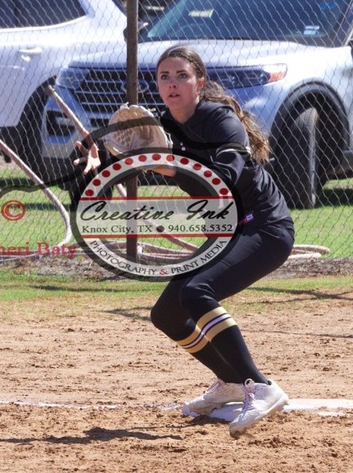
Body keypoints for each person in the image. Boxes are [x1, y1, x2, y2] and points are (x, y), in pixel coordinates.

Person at [75, 45, 295, 438]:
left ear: (200, 82)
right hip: (227, 232)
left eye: (181, 76)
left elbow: (223, 181)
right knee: (168, 314)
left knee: (197, 290)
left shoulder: (220, 121)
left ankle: (259, 386)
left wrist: (166, 163)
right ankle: (229, 382)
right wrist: (96, 167)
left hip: (264, 227)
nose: (172, 85)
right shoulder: (162, 127)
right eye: (164, 77)